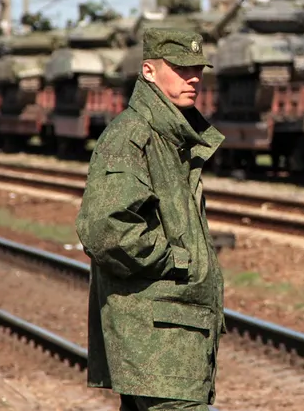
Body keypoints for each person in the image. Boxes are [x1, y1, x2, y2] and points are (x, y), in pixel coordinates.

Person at [76, 28, 225, 411]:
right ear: (149, 71)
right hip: (157, 338)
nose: (193, 78)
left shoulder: (171, 136)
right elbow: (105, 229)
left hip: (171, 334)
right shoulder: (134, 136)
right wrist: (177, 260)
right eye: (179, 69)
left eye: (197, 70)